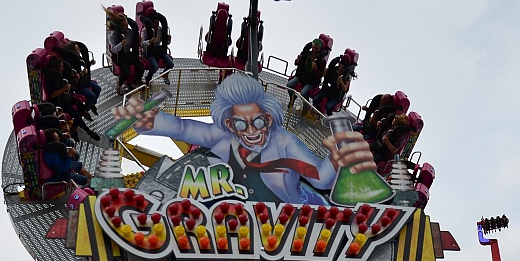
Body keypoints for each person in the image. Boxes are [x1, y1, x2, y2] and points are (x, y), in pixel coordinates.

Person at [112, 72, 377, 205]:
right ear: (230, 124)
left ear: (269, 118)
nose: (251, 131)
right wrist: (150, 121)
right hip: (234, 224)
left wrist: (336, 158)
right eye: (241, 124)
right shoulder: (223, 137)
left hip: (287, 225)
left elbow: (321, 178)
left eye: (258, 121)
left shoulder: (284, 142)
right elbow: (183, 128)